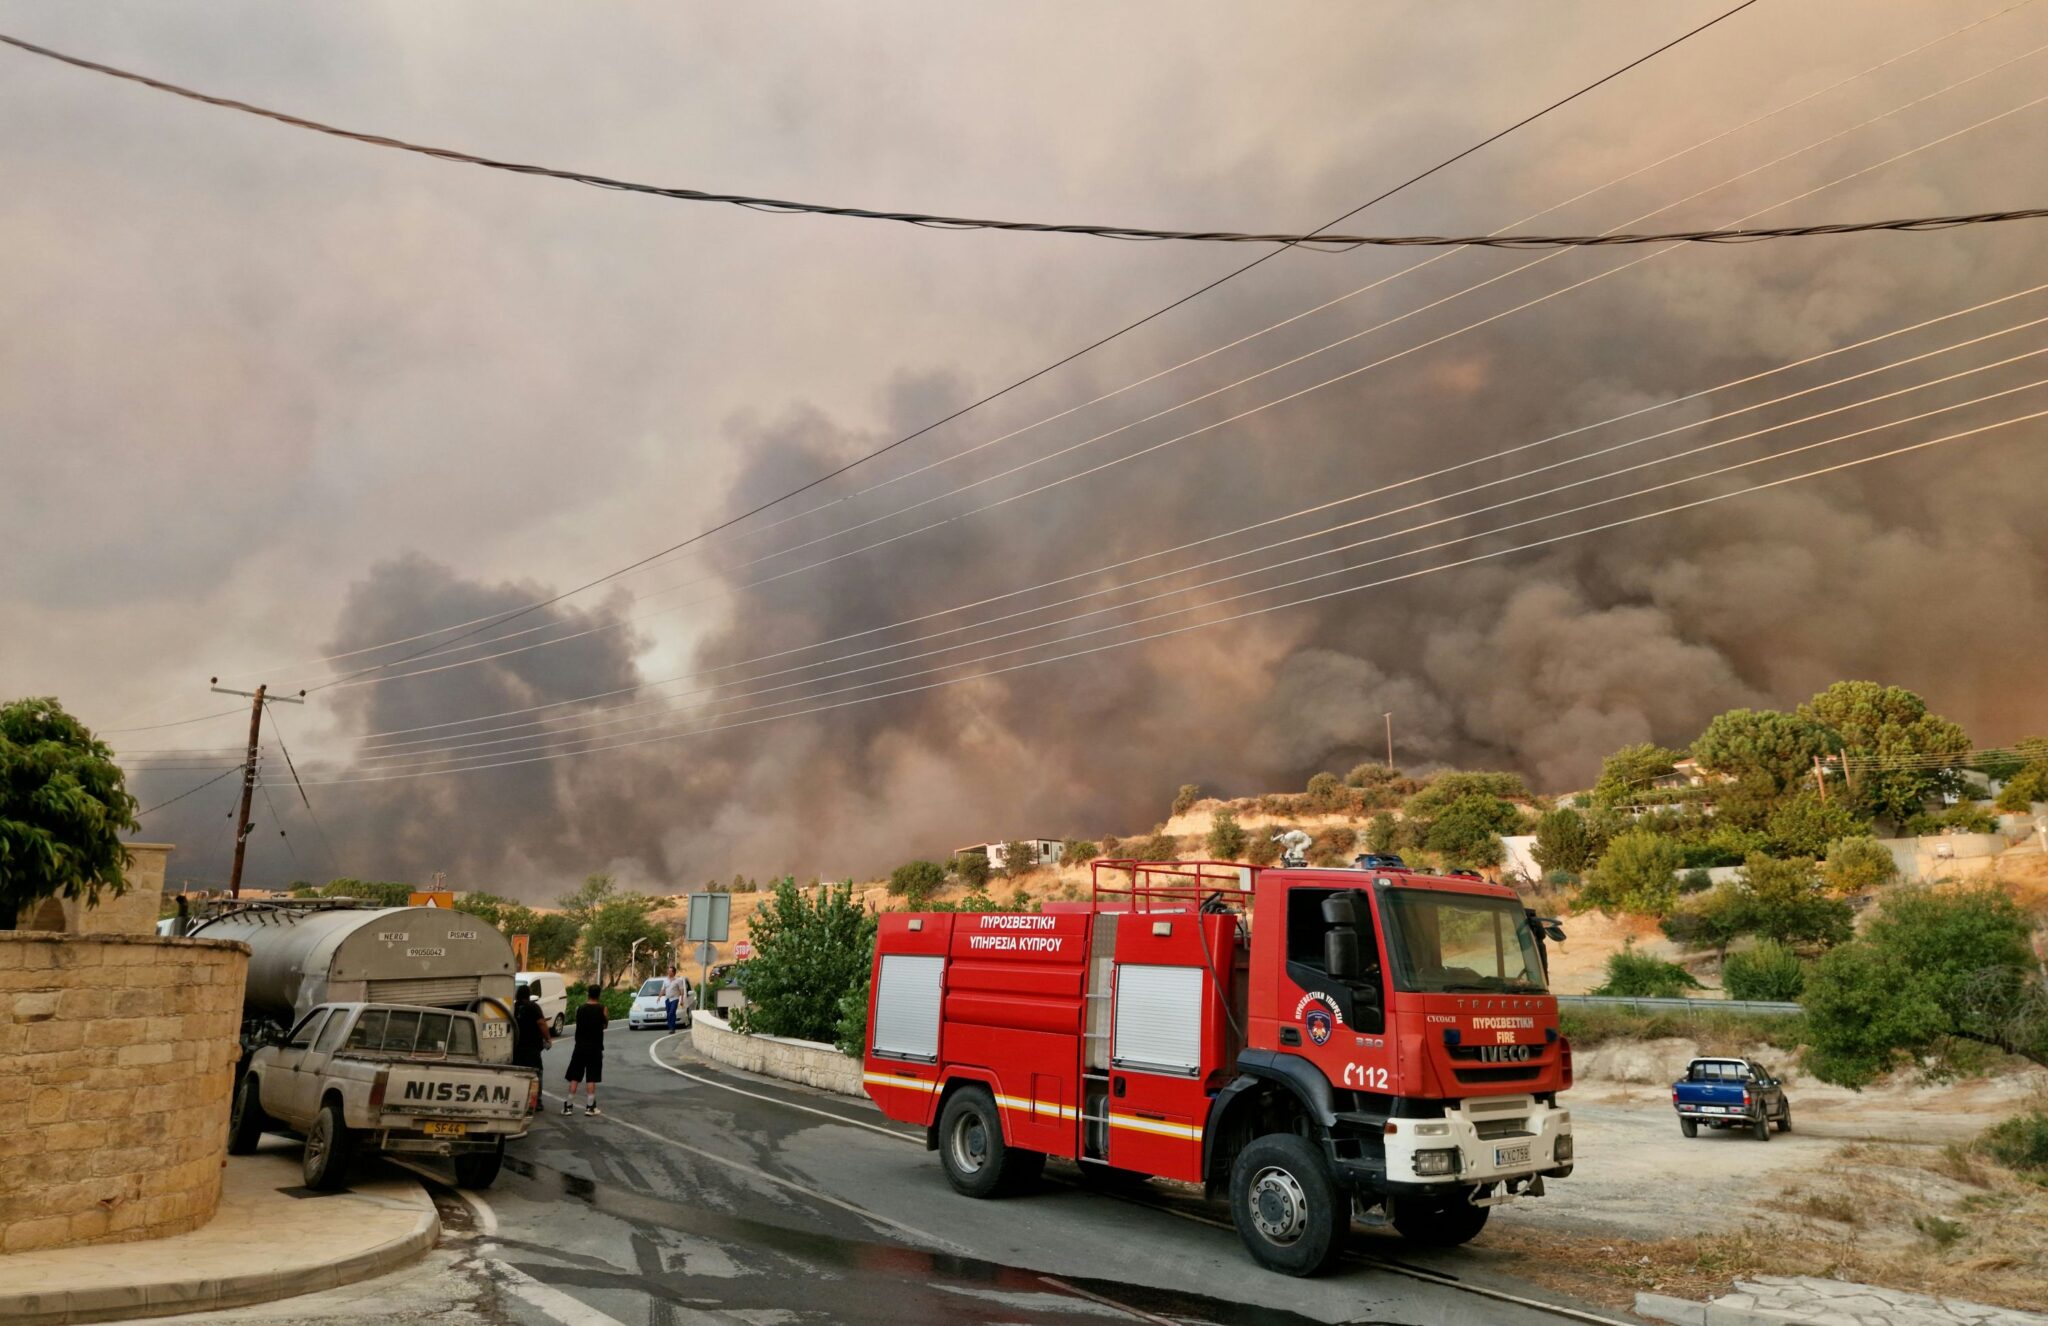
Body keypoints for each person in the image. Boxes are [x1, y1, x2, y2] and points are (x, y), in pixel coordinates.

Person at [563, 987, 608, 1116]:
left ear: (588, 994)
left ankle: (568, 1106)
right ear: (599, 995)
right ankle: (590, 1107)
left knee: (575, 1076)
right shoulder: (602, 1008)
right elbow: (605, 1025)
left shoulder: (580, 1009)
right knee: (591, 1076)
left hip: (580, 1047)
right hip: (595, 1047)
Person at [512, 984, 551, 1088]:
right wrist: (548, 1038)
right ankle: (537, 1099)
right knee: (536, 1073)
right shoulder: (533, 1007)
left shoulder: (513, 1007)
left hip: (517, 1048)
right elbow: (541, 1023)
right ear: (528, 994)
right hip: (532, 1047)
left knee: (518, 1072)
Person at [661, 967, 686, 1033]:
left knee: (672, 1012)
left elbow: (681, 990)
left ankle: (672, 1028)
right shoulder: (665, 980)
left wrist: (682, 1000)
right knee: (669, 1014)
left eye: (670, 971)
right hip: (667, 999)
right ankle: (671, 1027)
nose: (668, 972)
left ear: (673, 972)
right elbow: (663, 990)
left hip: (675, 999)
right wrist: (659, 997)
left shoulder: (678, 980)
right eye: (668, 971)